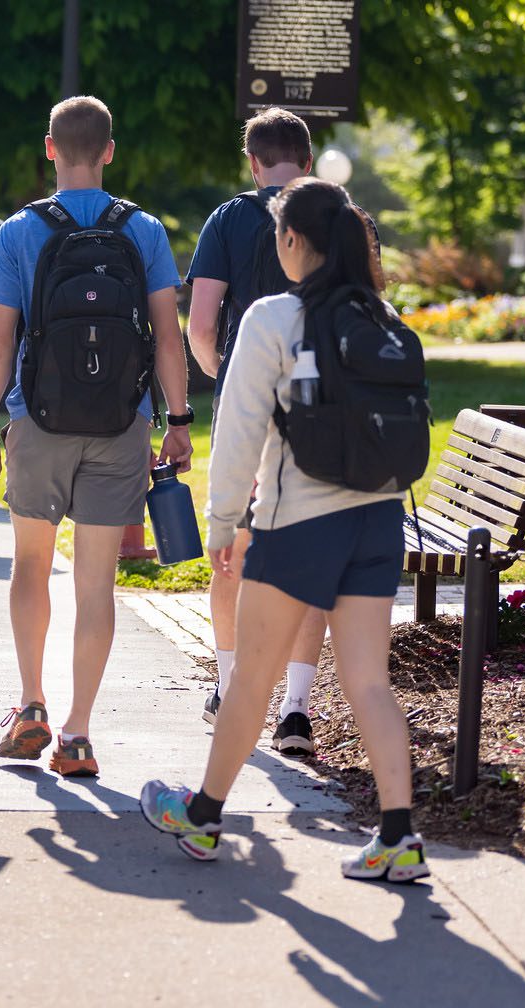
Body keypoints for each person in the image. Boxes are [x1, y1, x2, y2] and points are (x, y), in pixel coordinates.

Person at [141, 177, 430, 882]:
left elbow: (238, 431)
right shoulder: (383, 316)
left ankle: (204, 817)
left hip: (298, 523)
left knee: (250, 681)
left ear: (293, 240)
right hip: (378, 519)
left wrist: (221, 524)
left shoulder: (273, 317)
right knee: (369, 682)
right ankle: (398, 837)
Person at [0, 96, 193, 778]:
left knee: (31, 565)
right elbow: (166, 336)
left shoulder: (18, 231)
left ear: (49, 149)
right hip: (119, 423)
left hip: (37, 421)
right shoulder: (145, 230)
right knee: (96, 581)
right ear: (110, 151)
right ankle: (77, 734)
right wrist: (178, 421)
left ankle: (31, 703)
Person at [188, 108, 324, 755]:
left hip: (247, 412)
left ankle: (230, 685)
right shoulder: (344, 219)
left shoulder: (229, 219)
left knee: (232, 549)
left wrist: (225, 376)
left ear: (252, 161)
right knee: (307, 552)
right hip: (320, 410)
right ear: (308, 156)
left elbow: (202, 321)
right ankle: (296, 708)